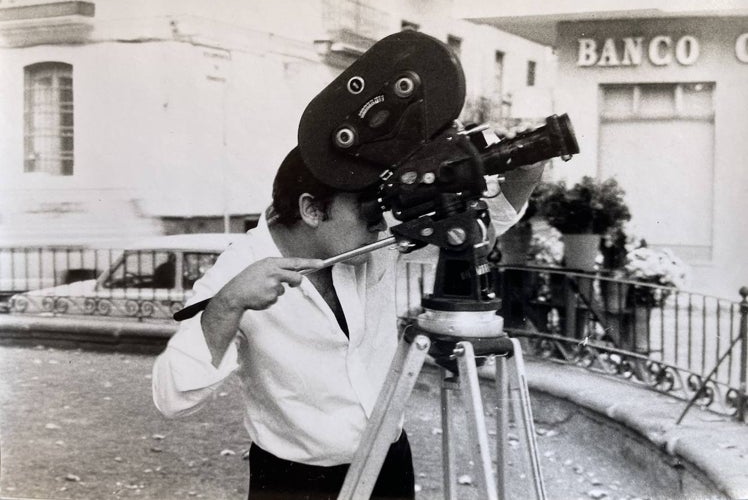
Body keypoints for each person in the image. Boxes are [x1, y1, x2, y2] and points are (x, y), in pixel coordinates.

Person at [152, 141, 545, 498]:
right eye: (368, 214)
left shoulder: (367, 238)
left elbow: (484, 221)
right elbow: (173, 396)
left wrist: (525, 168)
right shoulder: (235, 272)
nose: (380, 225)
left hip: (388, 464)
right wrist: (228, 304)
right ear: (311, 209)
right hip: (294, 482)